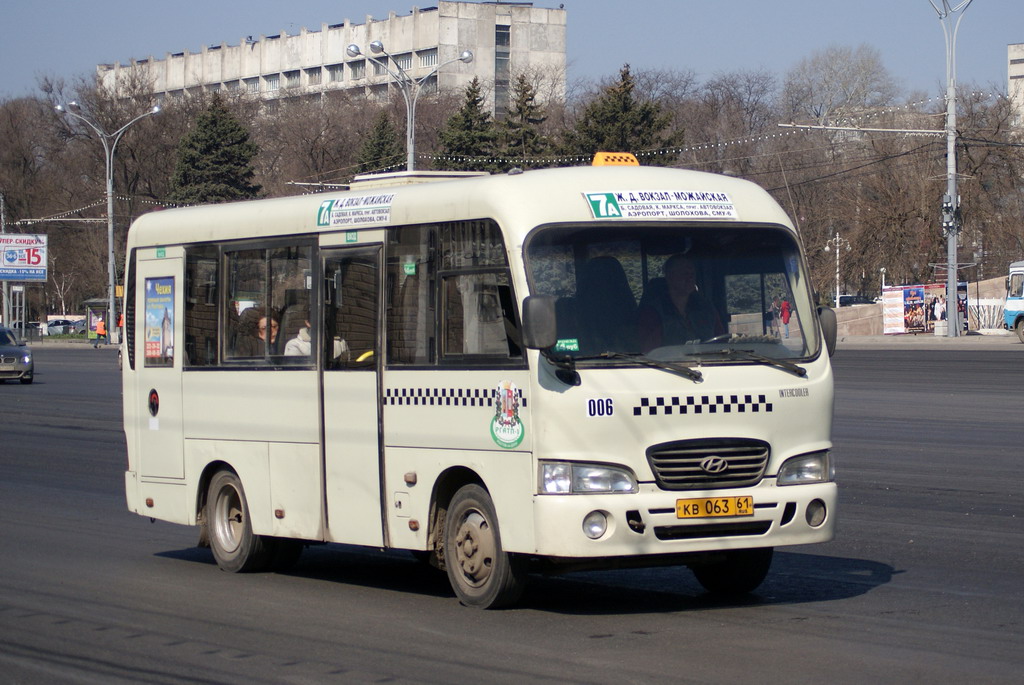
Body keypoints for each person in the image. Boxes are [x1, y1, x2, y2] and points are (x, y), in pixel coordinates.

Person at [639, 253, 724, 351]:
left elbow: (722, 344)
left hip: (711, 364)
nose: (690, 278)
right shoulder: (651, 314)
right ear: (670, 276)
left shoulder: (707, 309)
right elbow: (650, 354)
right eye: (684, 273)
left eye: (692, 274)